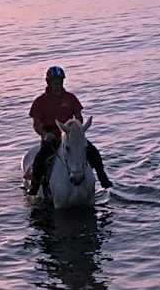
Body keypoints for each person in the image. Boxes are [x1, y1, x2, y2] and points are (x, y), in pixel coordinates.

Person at [27, 66, 112, 195]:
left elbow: (78, 115)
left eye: (60, 83)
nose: (58, 86)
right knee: (40, 158)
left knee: (93, 151)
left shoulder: (70, 98)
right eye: (55, 83)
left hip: (70, 135)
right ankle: (34, 186)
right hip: (52, 137)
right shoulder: (40, 102)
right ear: (48, 83)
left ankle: (102, 177)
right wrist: (45, 134)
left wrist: (77, 126)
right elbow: (37, 124)